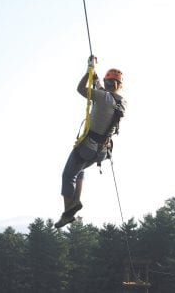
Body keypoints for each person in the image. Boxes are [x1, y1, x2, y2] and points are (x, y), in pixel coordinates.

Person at [55, 56, 126, 228]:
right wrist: (96, 80)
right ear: (119, 85)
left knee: (67, 175)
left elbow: (80, 89)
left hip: (87, 146)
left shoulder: (102, 97)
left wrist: (89, 70)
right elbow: (105, 94)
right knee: (79, 171)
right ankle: (77, 200)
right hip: (102, 151)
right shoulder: (121, 102)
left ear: (108, 83)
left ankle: (67, 212)